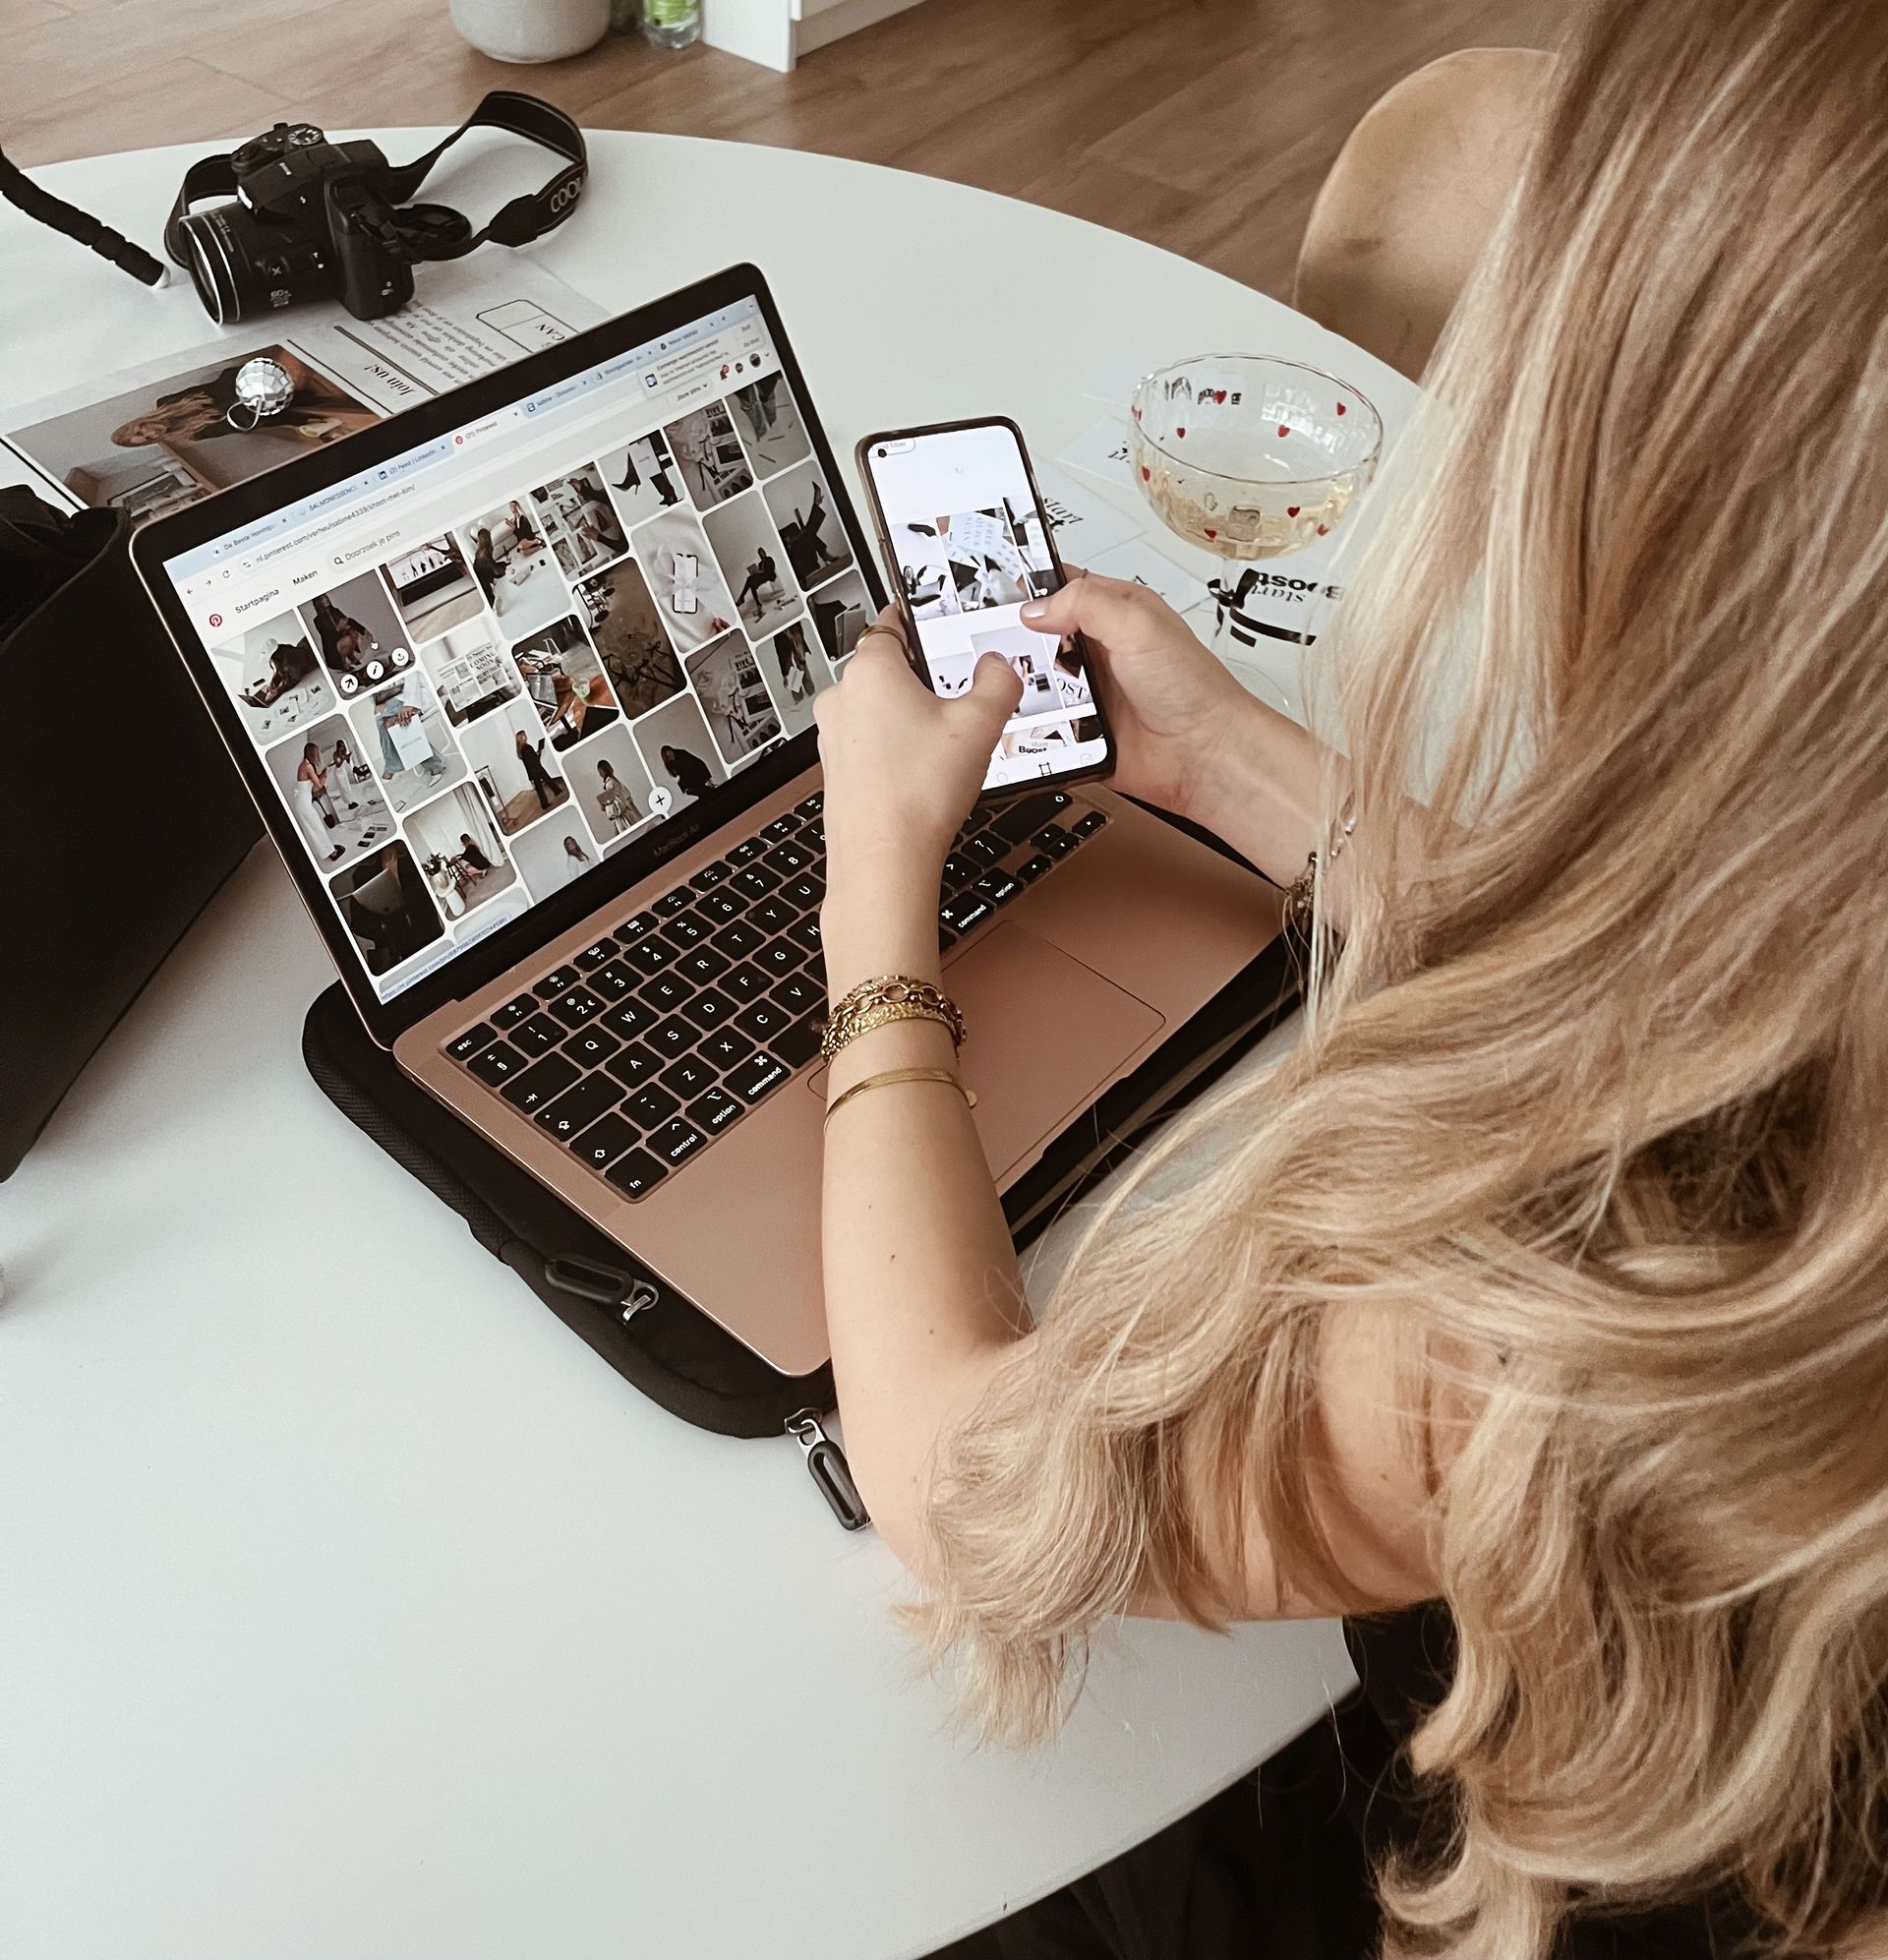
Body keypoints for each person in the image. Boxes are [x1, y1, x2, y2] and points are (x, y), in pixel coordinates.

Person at [811, 3, 1888, 1955]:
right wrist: (1243, 765)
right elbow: (1758, 951)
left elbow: (965, 1483)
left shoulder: (1576, 1322)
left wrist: (872, 917)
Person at [109, 351, 376, 450]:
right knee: (302, 405)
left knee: (293, 376)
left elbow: (217, 391)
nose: (149, 433)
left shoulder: (165, 401)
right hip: (259, 407)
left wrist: (241, 402)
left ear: (139, 422)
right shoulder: (194, 435)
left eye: (141, 430)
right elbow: (241, 423)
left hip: (243, 384)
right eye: (146, 439)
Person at [291, 742, 344, 863]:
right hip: (303, 803)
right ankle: (331, 852)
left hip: (303, 802)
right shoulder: (307, 766)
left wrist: (324, 772)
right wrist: (325, 775)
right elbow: (319, 785)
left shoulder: (306, 765)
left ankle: (328, 850)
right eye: (316, 753)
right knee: (316, 827)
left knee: (315, 827)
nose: (318, 755)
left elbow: (314, 778)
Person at [513, 728, 560, 813]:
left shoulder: (521, 750)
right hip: (536, 769)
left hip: (532, 771)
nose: (526, 736)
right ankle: (554, 793)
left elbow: (530, 760)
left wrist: (537, 753)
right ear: (521, 737)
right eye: (524, 735)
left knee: (539, 787)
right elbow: (533, 760)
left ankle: (546, 801)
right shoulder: (526, 747)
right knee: (546, 781)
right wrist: (538, 753)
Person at [594, 757, 640, 835]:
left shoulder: (609, 783)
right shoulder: (615, 781)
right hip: (629, 812)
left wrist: (604, 807)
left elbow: (618, 803)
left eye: (600, 771)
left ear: (602, 771)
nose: (599, 774)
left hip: (624, 817)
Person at [735, 544, 779, 621]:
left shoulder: (769, 559)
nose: (762, 554)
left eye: (762, 552)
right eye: (760, 553)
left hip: (769, 575)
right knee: (752, 586)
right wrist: (756, 572)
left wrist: (761, 572)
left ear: (765, 552)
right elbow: (759, 574)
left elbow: (770, 570)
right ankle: (758, 604)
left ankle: (742, 598)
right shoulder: (760, 564)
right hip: (762, 577)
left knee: (750, 579)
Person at [470, 528, 502, 613]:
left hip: (480, 571)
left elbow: (490, 564)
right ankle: (494, 607)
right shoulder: (485, 551)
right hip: (481, 575)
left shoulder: (480, 550)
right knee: (488, 593)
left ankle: (493, 605)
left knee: (487, 590)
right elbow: (493, 566)